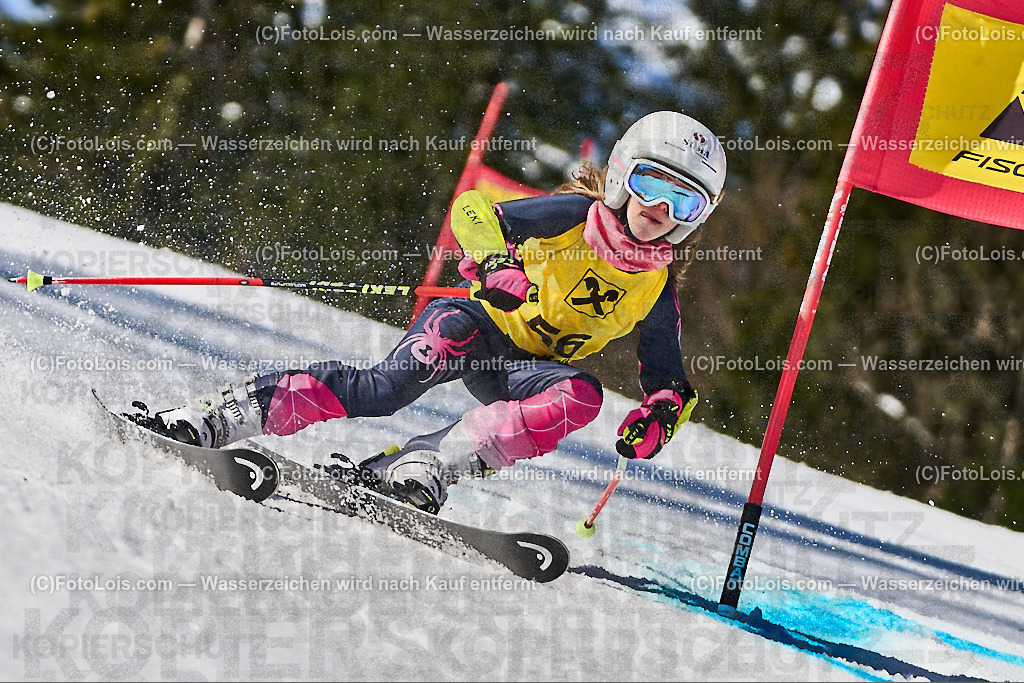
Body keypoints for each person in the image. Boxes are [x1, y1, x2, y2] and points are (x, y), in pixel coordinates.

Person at [141, 111, 727, 514]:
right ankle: (225, 414)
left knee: (583, 397)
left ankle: (425, 465)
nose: (659, 209)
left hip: (527, 373)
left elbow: (669, 383)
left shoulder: (656, 287)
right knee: (384, 389)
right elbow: (474, 210)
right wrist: (497, 262)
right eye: (652, 184)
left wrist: (658, 419)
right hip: (475, 329)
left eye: (684, 200)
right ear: (624, 174)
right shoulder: (575, 214)